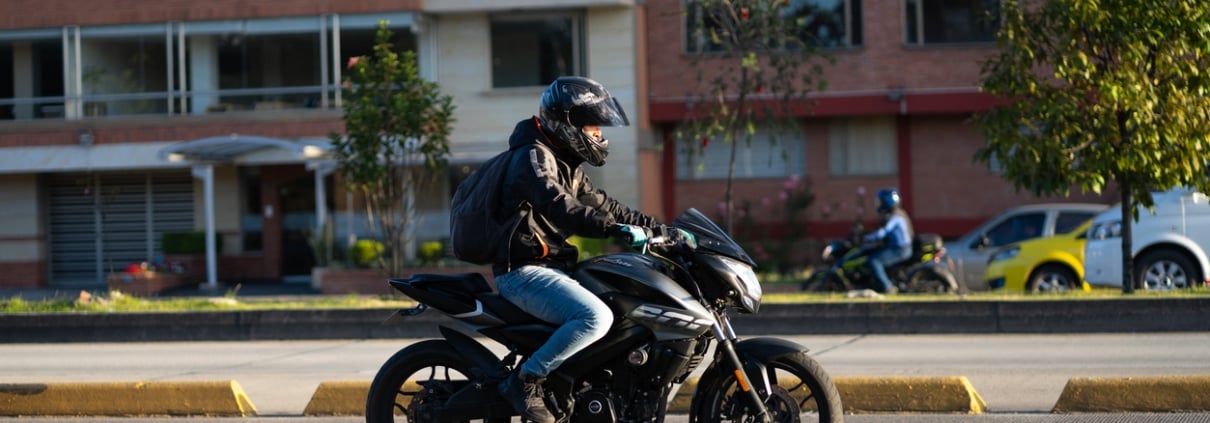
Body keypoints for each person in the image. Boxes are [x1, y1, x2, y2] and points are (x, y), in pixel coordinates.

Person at [491, 76, 659, 423]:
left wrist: (660, 228)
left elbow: (606, 206)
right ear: (567, 123)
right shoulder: (534, 157)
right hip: (523, 272)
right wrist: (615, 230)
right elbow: (560, 207)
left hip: (553, 269)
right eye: (593, 126)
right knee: (595, 317)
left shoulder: (564, 163)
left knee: (622, 309)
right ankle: (527, 380)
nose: (598, 135)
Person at [862, 188, 914, 294]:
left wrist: (868, 238)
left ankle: (888, 287)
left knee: (874, 261)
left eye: (880, 201)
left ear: (887, 202)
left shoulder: (895, 216)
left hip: (901, 249)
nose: (878, 204)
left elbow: (883, 232)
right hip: (900, 248)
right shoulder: (897, 214)